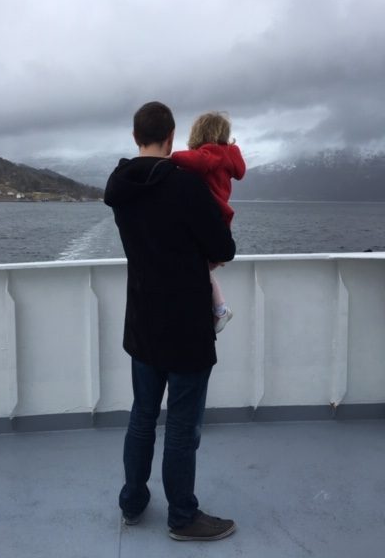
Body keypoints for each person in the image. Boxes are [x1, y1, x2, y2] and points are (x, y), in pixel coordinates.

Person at [104, 102, 237, 541]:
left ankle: (133, 502)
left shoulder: (119, 186)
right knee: (181, 426)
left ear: (135, 136)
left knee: (142, 416)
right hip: (186, 328)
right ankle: (182, 516)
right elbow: (223, 246)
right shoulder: (186, 187)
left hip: (143, 322)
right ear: (172, 136)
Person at [171, 112, 246, 333]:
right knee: (204, 268)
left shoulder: (212, 154)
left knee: (201, 267)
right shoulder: (228, 157)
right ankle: (219, 308)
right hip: (221, 216)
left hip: (212, 213)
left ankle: (221, 308)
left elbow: (197, 160)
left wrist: (171, 158)